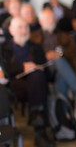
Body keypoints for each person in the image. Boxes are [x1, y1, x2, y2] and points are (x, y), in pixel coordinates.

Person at [0, 17, 55, 147]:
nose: (24, 31)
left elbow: (46, 71)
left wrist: (37, 67)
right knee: (38, 84)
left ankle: (37, 118)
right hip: (13, 86)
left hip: (35, 84)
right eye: (20, 27)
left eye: (26, 27)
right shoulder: (3, 49)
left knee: (38, 76)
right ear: (11, 30)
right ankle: (39, 130)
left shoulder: (36, 47)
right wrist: (23, 67)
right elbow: (4, 69)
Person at [39, 9, 76, 98]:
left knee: (61, 75)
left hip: (62, 65)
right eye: (48, 18)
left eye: (53, 18)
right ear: (41, 21)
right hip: (45, 66)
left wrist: (60, 54)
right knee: (59, 62)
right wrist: (46, 56)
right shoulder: (35, 36)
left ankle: (61, 106)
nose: (51, 20)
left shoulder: (63, 35)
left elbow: (74, 51)